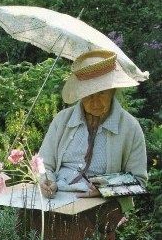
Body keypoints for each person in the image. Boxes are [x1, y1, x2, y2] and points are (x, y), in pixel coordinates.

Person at [39, 49, 148, 209]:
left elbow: (139, 180)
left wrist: (105, 188)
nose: (95, 102)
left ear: (112, 91)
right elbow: (44, 164)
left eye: (101, 93)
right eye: (89, 95)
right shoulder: (63, 120)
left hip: (101, 205)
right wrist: (48, 180)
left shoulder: (129, 127)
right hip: (56, 199)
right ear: (80, 94)